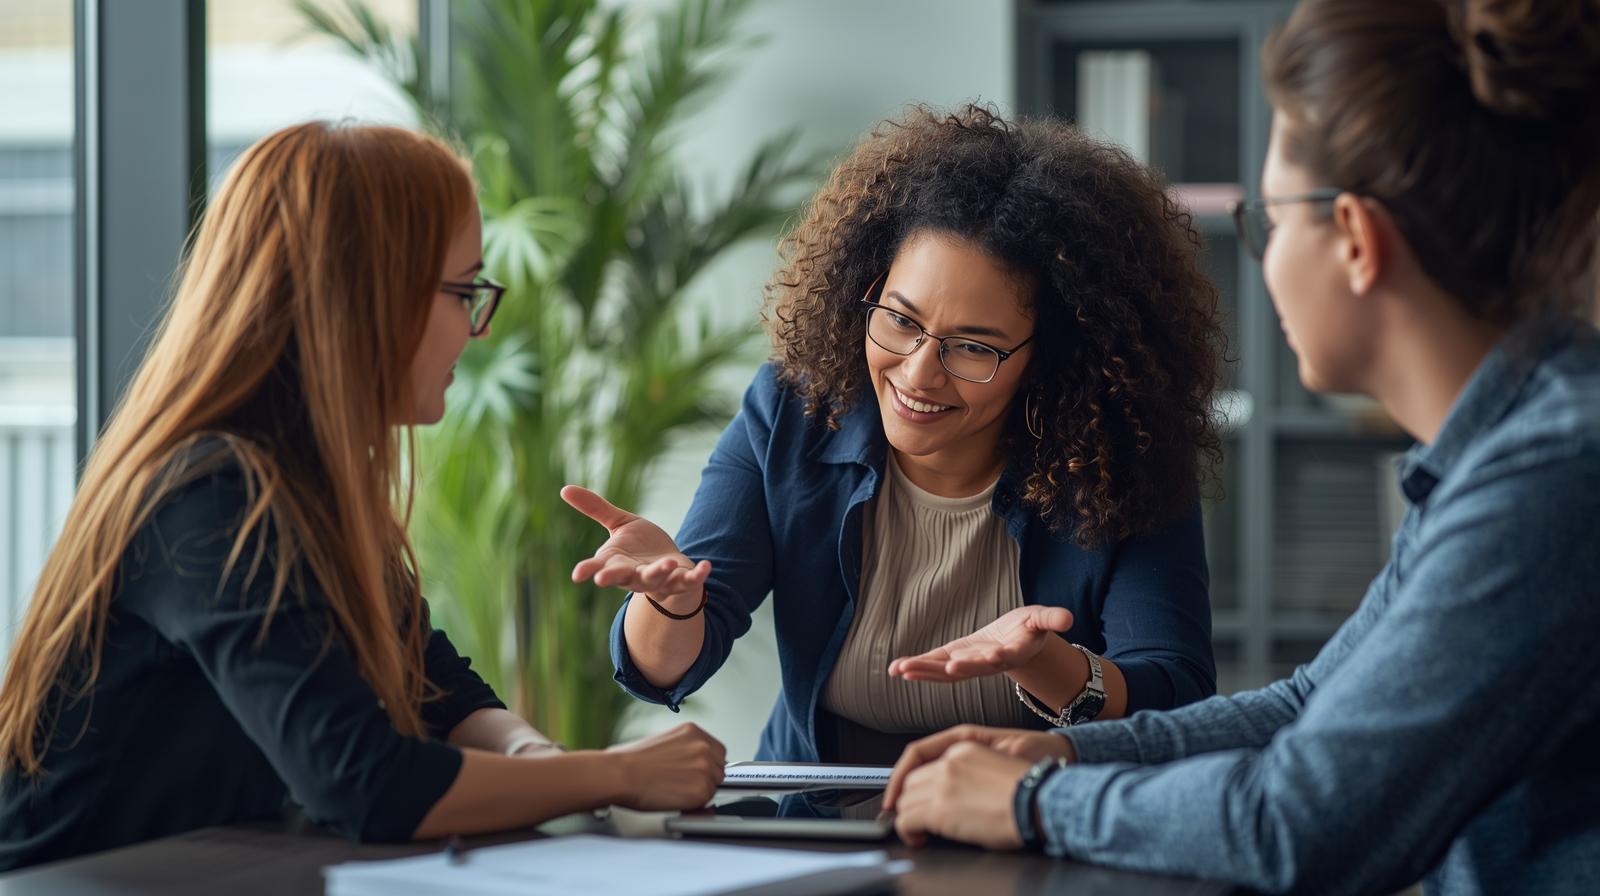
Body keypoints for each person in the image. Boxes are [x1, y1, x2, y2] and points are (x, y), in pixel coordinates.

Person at [881, 2, 1600, 893]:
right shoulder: (1502, 451)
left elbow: (1300, 824)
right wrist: (1063, 752)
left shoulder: (1552, 476)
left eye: (1267, 223)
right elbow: (1305, 708)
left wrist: (1032, 800)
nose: (1259, 264)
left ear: (1354, 240)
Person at [0, 122, 725, 871]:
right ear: (368, 295)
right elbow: (366, 782)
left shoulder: (307, 483)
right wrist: (615, 774)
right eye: (462, 292)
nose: (475, 330)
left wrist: (539, 759)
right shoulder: (211, 494)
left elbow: (436, 688)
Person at [563, 104, 1226, 765]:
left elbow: (1175, 691)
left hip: (1029, 821)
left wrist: (1047, 665)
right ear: (869, 288)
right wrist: (672, 603)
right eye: (902, 320)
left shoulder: (1121, 457)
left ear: (1050, 359)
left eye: (972, 347)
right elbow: (664, 668)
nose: (917, 374)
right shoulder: (794, 411)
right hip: (819, 822)